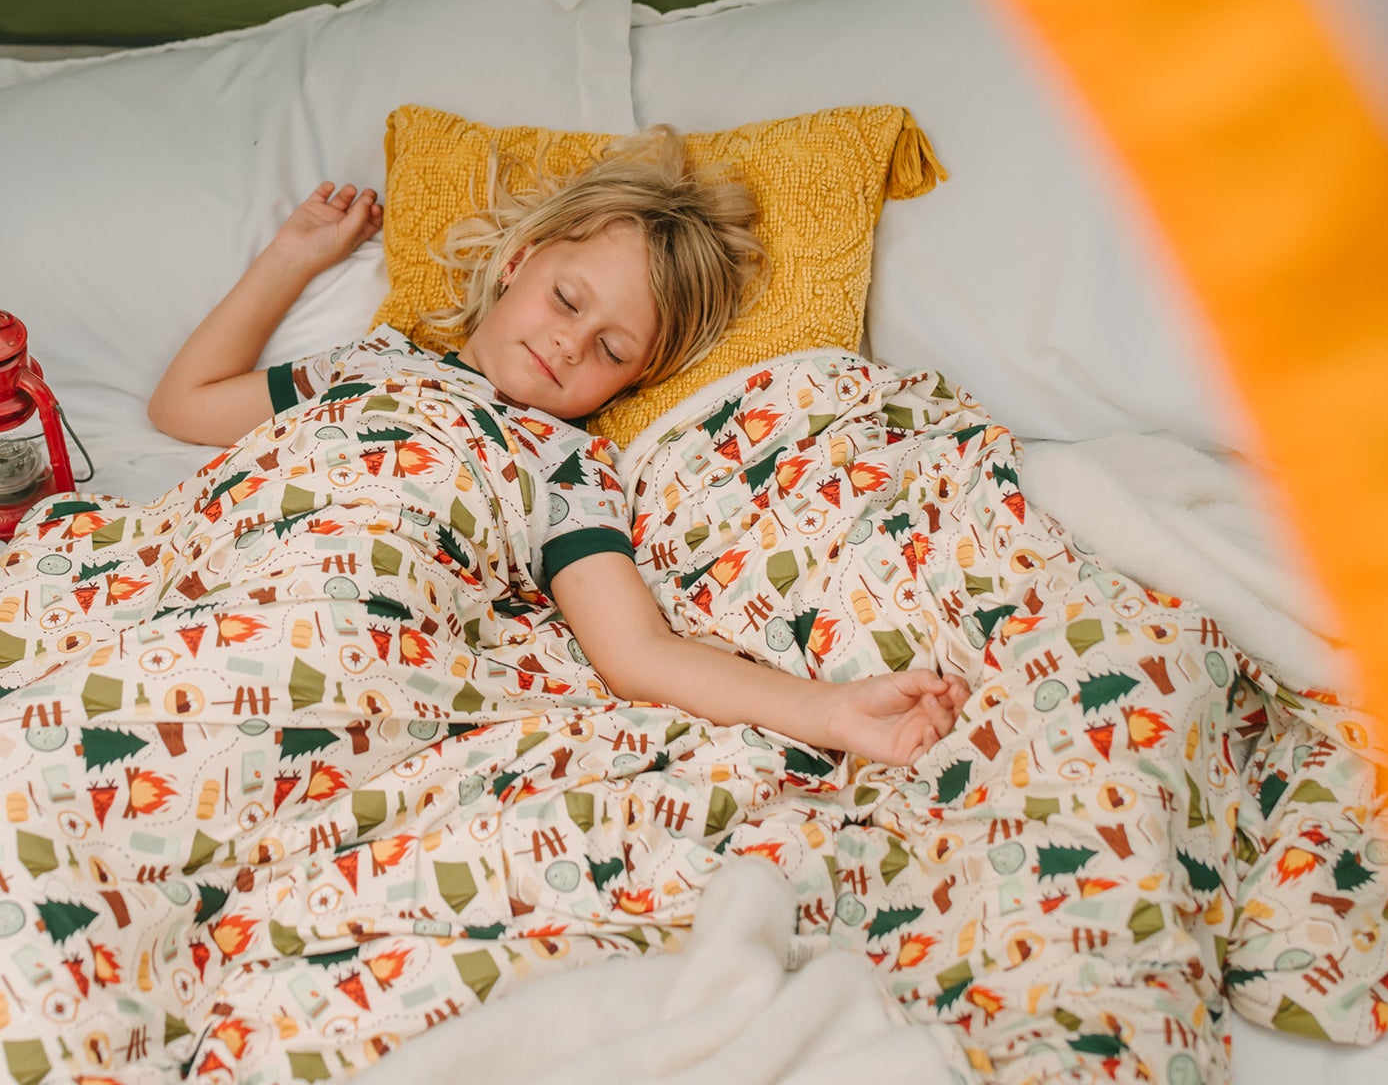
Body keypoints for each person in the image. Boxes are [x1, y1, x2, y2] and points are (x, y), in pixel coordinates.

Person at [148, 127, 965, 767]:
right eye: (566, 299)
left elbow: (636, 653)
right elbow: (184, 405)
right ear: (518, 261)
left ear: (632, 383)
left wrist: (829, 711)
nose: (572, 344)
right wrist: (292, 256)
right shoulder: (372, 360)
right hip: (230, 582)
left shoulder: (563, 464)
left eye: (612, 351)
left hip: (353, 635)